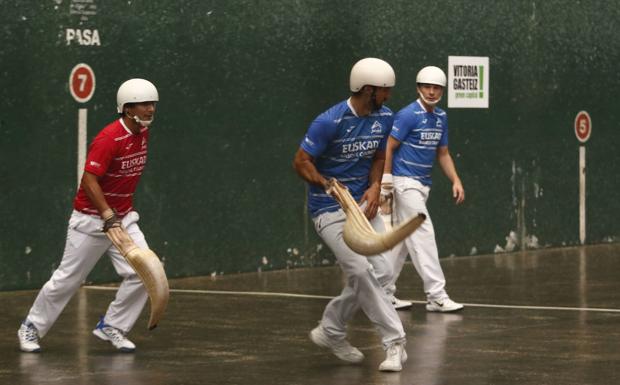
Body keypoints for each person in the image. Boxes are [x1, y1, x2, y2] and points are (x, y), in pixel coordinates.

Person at [17, 78, 159, 353]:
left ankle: (112, 326)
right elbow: (89, 179)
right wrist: (106, 214)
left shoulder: (142, 132)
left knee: (146, 273)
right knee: (67, 279)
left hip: (124, 218)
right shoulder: (109, 138)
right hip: (91, 220)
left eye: (152, 103)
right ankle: (31, 327)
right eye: (144, 104)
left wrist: (117, 216)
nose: (150, 109)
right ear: (128, 109)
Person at [292, 58, 407, 372]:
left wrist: (373, 186)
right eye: (384, 91)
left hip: (364, 207)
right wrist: (325, 183)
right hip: (329, 209)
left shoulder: (385, 117)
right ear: (367, 89)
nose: (388, 97)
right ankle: (395, 342)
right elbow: (301, 161)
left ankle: (331, 329)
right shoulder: (329, 121)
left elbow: (380, 155)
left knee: (383, 273)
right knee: (359, 269)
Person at [381, 66, 465, 312]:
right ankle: (436, 295)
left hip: (422, 185)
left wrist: (456, 180)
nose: (431, 92)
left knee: (402, 242)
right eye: (427, 87)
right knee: (423, 232)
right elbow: (388, 146)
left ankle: (382, 293)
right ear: (418, 88)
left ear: (442, 90)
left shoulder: (441, 117)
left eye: (436, 87)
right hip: (403, 182)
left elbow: (444, 153)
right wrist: (386, 180)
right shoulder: (408, 114)